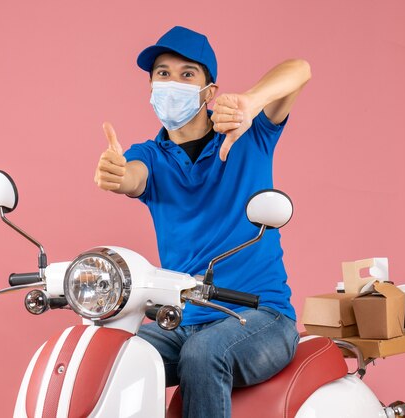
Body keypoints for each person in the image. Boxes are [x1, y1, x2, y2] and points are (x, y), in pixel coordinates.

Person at [94, 26, 311, 418]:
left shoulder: (250, 134)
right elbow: (133, 175)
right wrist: (118, 174)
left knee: (203, 353)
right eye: (162, 74)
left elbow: (299, 69)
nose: (172, 83)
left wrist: (251, 101)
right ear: (150, 89)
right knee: (112, 353)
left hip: (262, 316)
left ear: (209, 92)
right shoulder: (151, 156)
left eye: (186, 74)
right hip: (181, 319)